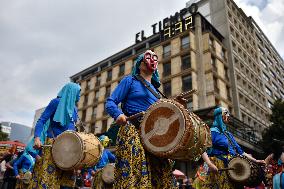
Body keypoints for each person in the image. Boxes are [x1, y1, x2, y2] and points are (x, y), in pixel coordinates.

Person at [105, 50, 177, 188]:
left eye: (154, 58)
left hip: (153, 136)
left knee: (163, 174)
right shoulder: (130, 80)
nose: (152, 60)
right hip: (133, 130)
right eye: (148, 57)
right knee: (135, 171)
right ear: (139, 63)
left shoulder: (157, 92)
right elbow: (110, 102)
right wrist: (118, 114)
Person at [194, 107, 265, 189]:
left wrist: (256, 161)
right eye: (226, 114)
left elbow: (241, 152)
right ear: (220, 116)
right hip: (216, 165)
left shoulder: (228, 134)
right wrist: (209, 164)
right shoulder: (212, 132)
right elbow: (202, 148)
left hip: (232, 167)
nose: (228, 116)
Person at [30, 82, 81, 189]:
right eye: (78, 92)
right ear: (71, 92)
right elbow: (41, 120)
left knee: (66, 183)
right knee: (49, 181)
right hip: (53, 145)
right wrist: (37, 138)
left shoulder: (75, 109)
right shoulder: (55, 102)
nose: (80, 95)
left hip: (69, 149)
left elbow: (73, 128)